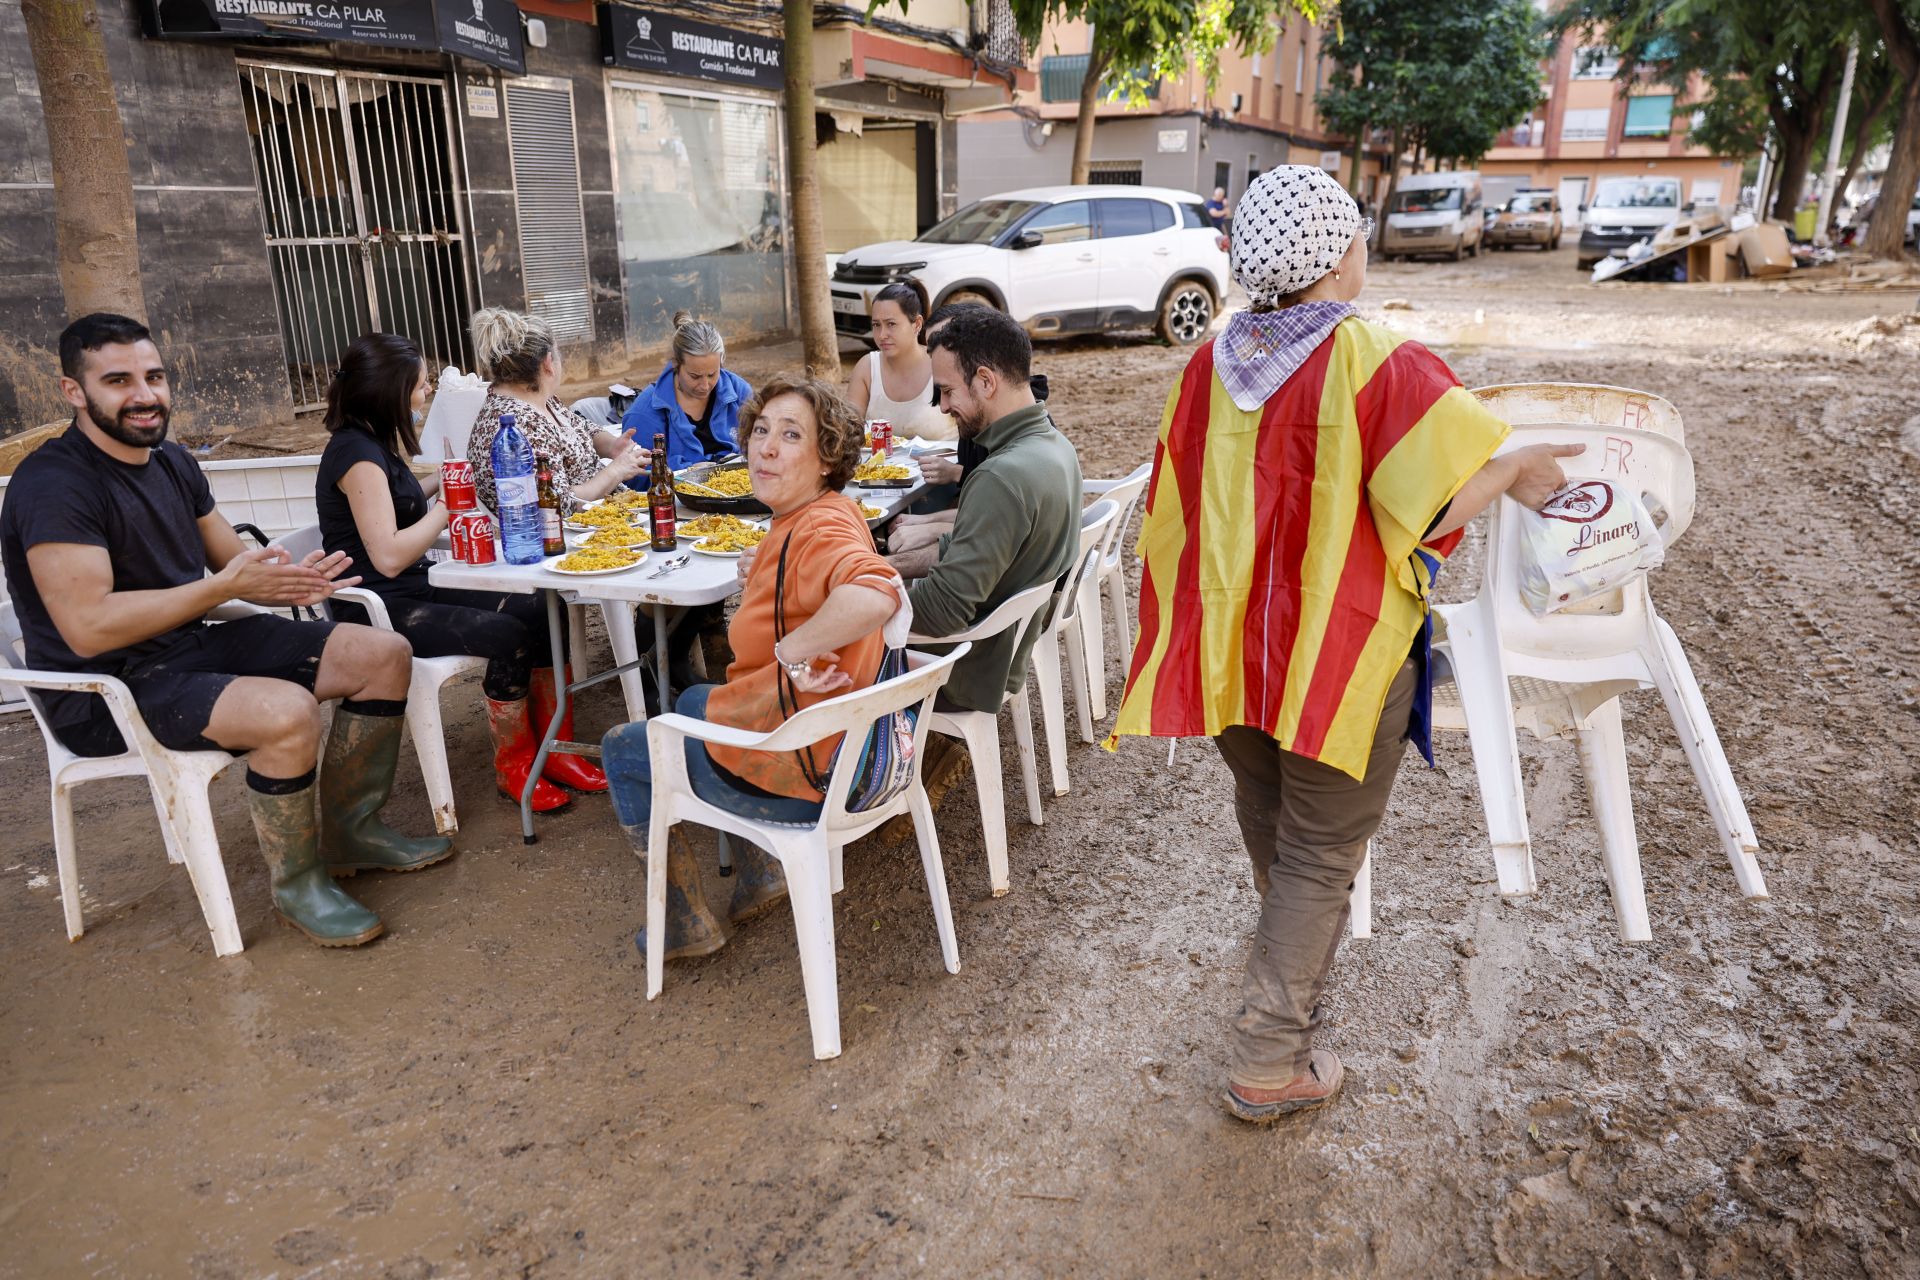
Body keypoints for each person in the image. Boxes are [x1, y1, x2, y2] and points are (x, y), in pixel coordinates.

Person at [1108, 166, 1580, 1122]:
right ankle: (1268, 1059)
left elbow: (1173, 508)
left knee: (1272, 816)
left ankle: (1287, 973)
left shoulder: (1207, 362)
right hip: (1335, 661)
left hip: (1228, 653)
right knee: (1323, 851)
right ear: (1336, 254)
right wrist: (1518, 467)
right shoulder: (1378, 358)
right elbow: (1437, 499)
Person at [0, 314, 455, 947]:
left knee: (381, 652)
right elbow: (88, 629)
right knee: (287, 711)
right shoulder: (54, 485)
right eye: (117, 380)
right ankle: (298, 885)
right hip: (105, 688)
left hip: (188, 644)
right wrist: (223, 590)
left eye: (153, 376)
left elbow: (228, 559)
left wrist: (291, 577)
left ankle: (354, 830)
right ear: (74, 391)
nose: (144, 394)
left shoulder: (172, 460)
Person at [600, 375, 907, 960]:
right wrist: (765, 560)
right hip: (847, 745)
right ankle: (761, 874)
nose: (765, 447)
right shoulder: (821, 515)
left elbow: (877, 590)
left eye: (791, 435)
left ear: (827, 458)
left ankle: (681, 924)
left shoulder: (816, 529)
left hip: (810, 768)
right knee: (693, 703)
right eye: (761, 430)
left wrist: (791, 651)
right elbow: (815, 569)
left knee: (622, 745)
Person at [316, 332, 577, 812]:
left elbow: (399, 503)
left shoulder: (373, 443)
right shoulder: (354, 455)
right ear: (389, 391)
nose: (426, 393)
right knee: (507, 633)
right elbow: (389, 556)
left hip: (413, 588)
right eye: (419, 386)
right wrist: (448, 505)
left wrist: (457, 471)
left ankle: (554, 748)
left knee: (542, 606)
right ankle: (515, 767)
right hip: (379, 609)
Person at [889, 307, 1082, 717]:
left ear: (985, 381)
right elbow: (977, 552)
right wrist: (888, 566)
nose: (942, 407)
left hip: (958, 671)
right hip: (997, 656)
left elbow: (942, 611)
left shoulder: (1000, 476)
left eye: (946, 390)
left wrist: (853, 591)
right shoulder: (1055, 447)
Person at [465, 306, 648, 519]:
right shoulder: (518, 425)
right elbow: (559, 503)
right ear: (548, 363)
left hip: (604, 515)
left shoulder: (540, 400)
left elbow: (581, 427)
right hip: (567, 534)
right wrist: (616, 470)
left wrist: (611, 446)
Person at [619, 311, 754, 472]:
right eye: (695, 376)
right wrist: (686, 472)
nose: (705, 385)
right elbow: (634, 477)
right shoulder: (645, 414)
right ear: (676, 364)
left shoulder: (739, 392)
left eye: (712, 374)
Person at [847, 282, 955, 442]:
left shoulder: (942, 362)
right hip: (879, 466)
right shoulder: (867, 367)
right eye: (876, 325)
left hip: (944, 465)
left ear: (917, 324)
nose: (882, 334)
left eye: (891, 324)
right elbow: (849, 431)